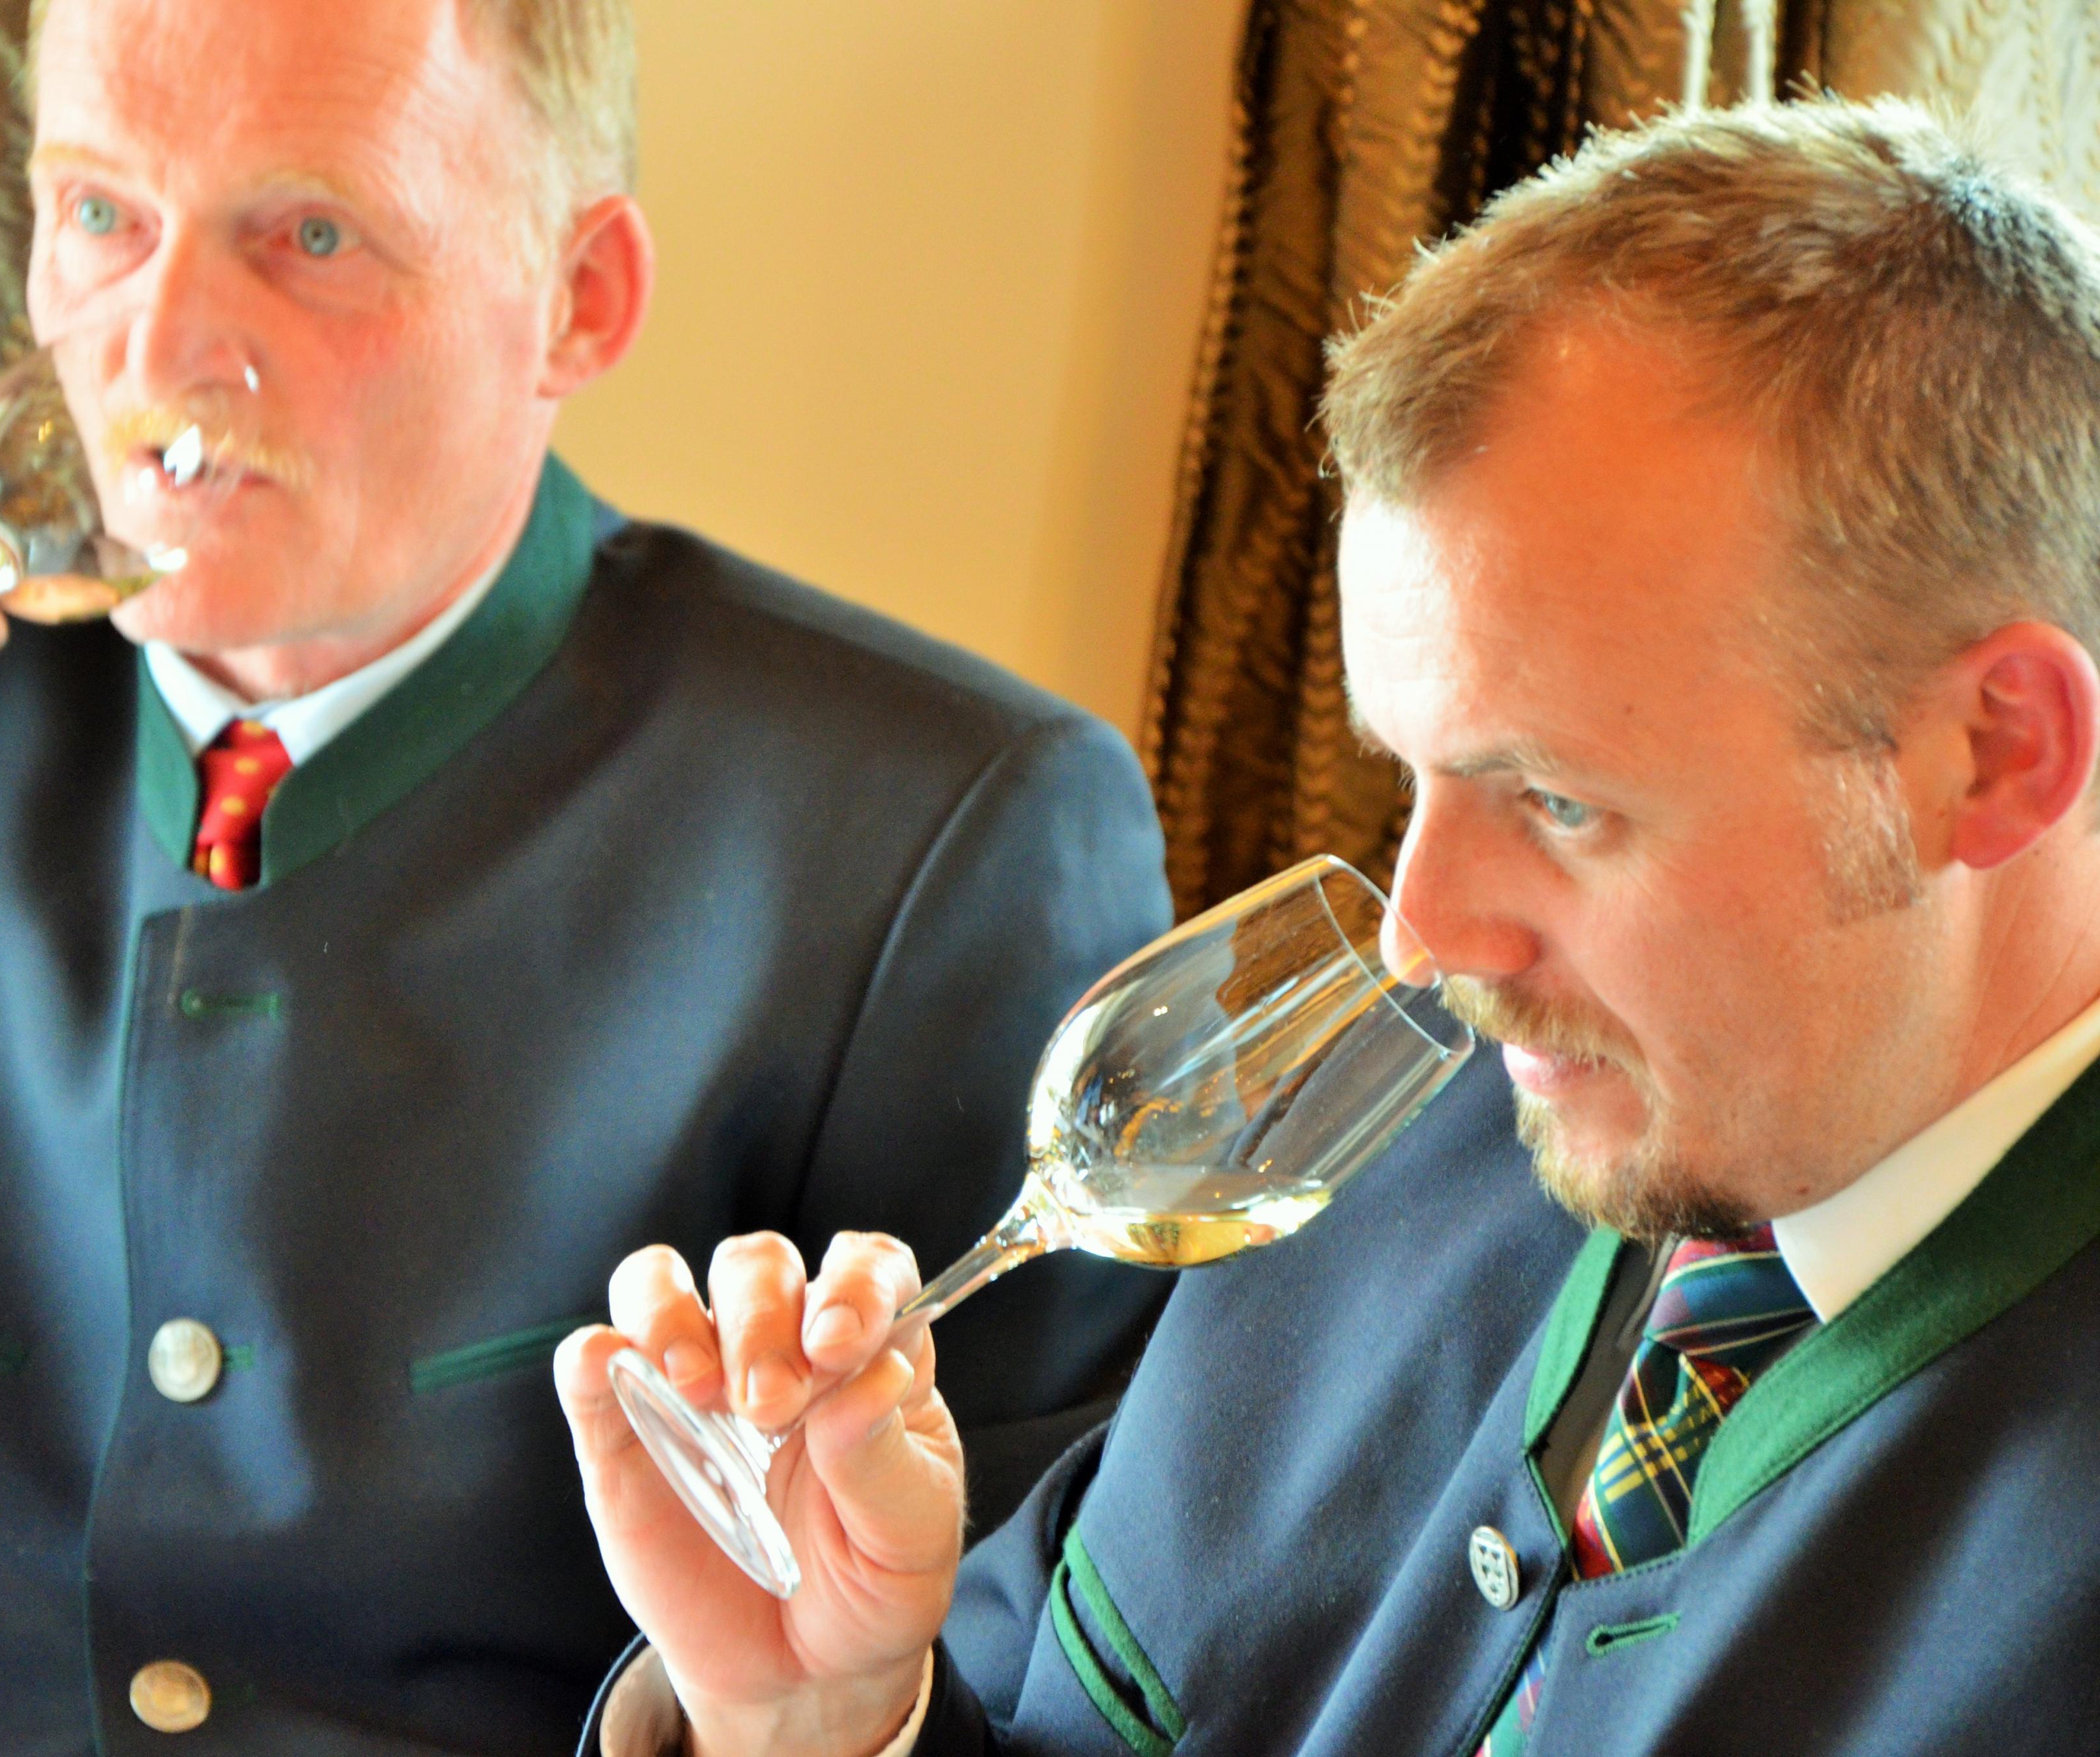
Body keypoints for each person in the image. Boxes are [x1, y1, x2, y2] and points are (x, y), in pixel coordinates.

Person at [0, 0, 1175, 1749]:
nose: (156, 350)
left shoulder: (951, 838)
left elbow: (1038, 1691)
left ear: (579, 299)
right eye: (100, 215)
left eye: (312, 236)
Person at [562, 97, 2100, 1757]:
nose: (1417, 941)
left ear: (1994, 754)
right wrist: (823, 1722)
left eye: (1554, 801)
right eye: (1409, 776)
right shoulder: (1360, 1175)